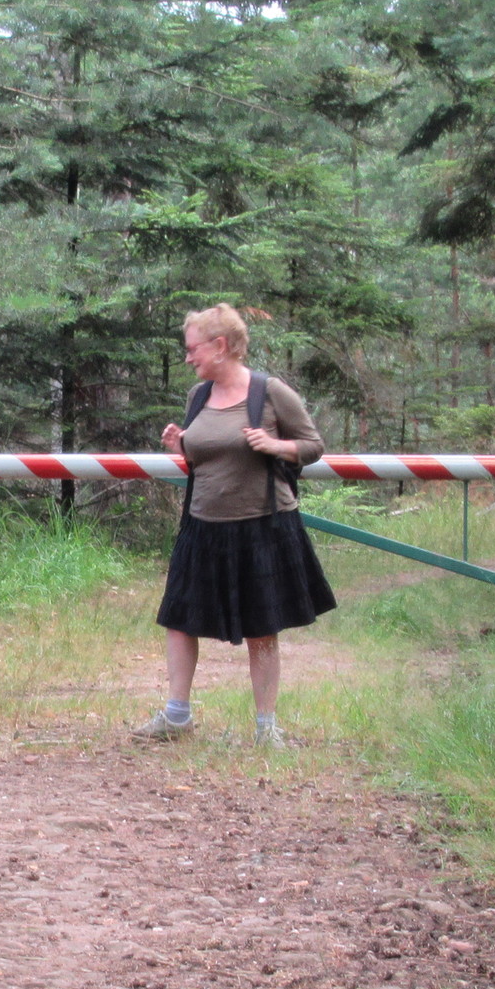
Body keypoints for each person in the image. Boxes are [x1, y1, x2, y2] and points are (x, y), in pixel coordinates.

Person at [140, 302, 335, 745]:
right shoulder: (199, 396)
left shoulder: (270, 392)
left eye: (193, 349)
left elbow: (313, 445)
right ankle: (176, 717)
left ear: (220, 346)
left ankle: (266, 729)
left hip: (262, 527)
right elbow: (208, 457)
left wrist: (275, 445)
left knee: (261, 628)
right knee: (179, 619)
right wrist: (182, 444)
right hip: (202, 525)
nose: (187, 357)